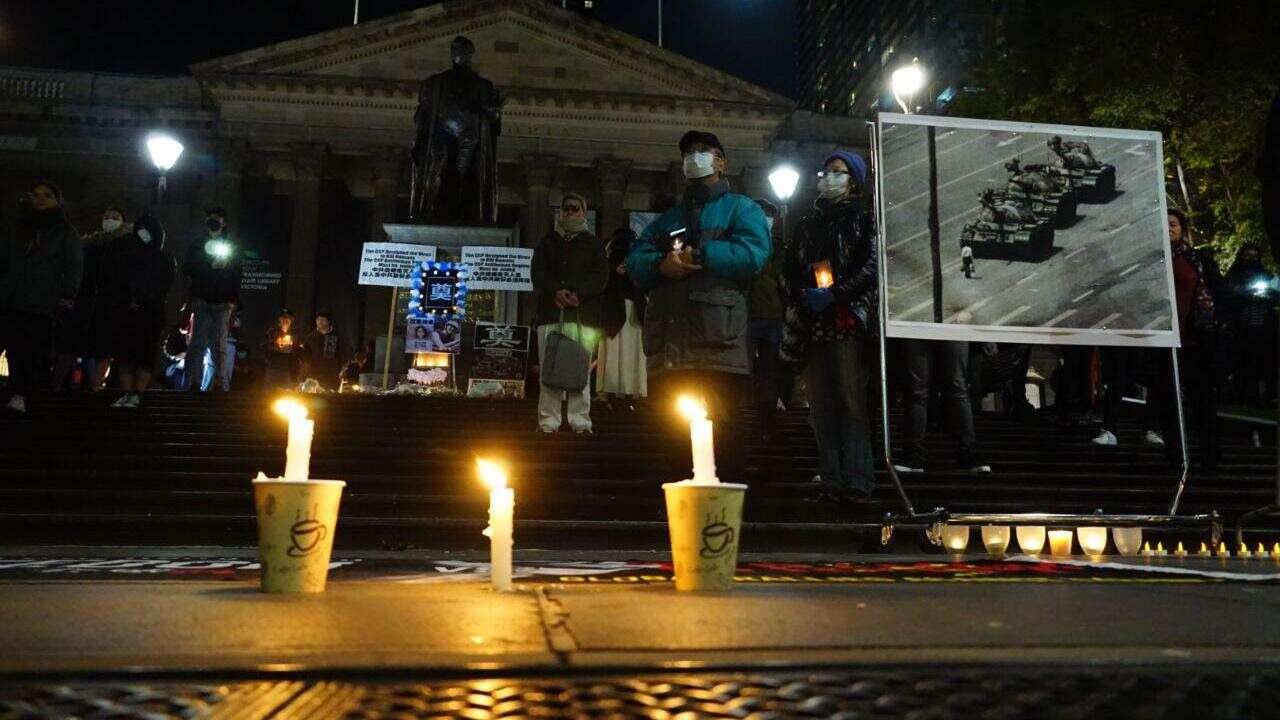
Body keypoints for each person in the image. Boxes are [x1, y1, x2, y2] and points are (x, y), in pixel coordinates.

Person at [627, 130, 771, 481]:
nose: (693, 157)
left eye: (701, 151)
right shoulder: (669, 217)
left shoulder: (741, 207)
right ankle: (681, 512)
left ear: (720, 161)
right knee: (673, 437)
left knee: (724, 435)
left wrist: (703, 255)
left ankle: (724, 517)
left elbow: (754, 254)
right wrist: (660, 265)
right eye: (688, 152)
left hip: (718, 343)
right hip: (671, 348)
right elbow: (636, 259)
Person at [780, 151, 878, 503]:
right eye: (826, 172)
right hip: (813, 323)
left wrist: (836, 293)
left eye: (838, 173)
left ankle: (858, 480)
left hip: (847, 321)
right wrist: (803, 290)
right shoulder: (808, 223)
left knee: (851, 402)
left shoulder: (864, 219)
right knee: (820, 405)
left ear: (853, 181)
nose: (829, 178)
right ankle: (832, 478)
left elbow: (871, 267)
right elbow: (790, 265)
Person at [0, 181, 83, 413]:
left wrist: (66, 298)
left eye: (47, 195)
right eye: (35, 194)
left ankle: (22, 391)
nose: (40, 199)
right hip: (10, 297)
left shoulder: (65, 233)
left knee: (31, 348)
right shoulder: (16, 227)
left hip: (42, 300)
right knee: (12, 344)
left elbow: (74, 268)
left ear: (57, 201)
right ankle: (15, 388)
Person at [531, 191, 608, 433]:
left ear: (584, 212)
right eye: (565, 208)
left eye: (574, 208)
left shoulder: (593, 244)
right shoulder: (547, 242)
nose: (569, 212)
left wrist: (579, 294)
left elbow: (601, 277)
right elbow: (538, 274)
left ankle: (580, 422)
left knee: (580, 372)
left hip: (581, 317)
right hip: (551, 314)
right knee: (549, 370)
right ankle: (548, 422)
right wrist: (556, 291)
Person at [1158, 208, 1222, 473]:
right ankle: (1175, 458)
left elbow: (1214, 291)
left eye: (1173, 224)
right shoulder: (1155, 261)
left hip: (1196, 341)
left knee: (1202, 402)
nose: (1170, 228)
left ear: (1182, 228)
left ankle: (1209, 458)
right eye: (1165, 225)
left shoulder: (1197, 258)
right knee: (1169, 403)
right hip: (1166, 344)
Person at [100, 213, 175, 409]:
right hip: (127, 312)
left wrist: (142, 300)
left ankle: (138, 393)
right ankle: (127, 393)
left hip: (150, 314)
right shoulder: (127, 256)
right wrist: (128, 300)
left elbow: (163, 286)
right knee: (125, 354)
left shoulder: (165, 259)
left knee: (145, 355)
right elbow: (118, 281)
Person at [52, 204, 128, 391]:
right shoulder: (89, 244)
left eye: (114, 217)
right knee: (70, 343)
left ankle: (94, 386)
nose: (109, 220)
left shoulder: (126, 246)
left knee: (104, 347)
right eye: (107, 216)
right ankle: (56, 383)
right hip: (84, 299)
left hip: (108, 302)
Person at [181, 207, 240, 392]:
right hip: (202, 298)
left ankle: (220, 383)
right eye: (210, 218)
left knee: (219, 344)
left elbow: (238, 272)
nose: (213, 221)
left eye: (217, 218)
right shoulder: (198, 244)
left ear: (224, 222)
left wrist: (232, 297)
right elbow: (188, 268)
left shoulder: (232, 245)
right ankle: (193, 382)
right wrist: (209, 265)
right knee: (197, 342)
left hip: (222, 301)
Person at [596, 227, 647, 411]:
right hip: (627, 309)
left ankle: (616, 390)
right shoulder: (632, 257)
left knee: (617, 351)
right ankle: (625, 391)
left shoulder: (609, 257)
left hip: (620, 310)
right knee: (626, 351)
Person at [749, 198, 786, 442]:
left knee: (769, 370)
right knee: (746, 369)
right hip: (748, 315)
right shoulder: (744, 244)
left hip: (772, 317)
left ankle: (766, 420)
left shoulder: (779, 249)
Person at [1224, 243, 1276, 406]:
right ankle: (1246, 396)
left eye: (1254, 257)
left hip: (1266, 328)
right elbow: (1228, 297)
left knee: (1268, 362)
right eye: (1247, 256)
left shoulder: (1266, 275)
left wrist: (1268, 296)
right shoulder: (1233, 276)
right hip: (1241, 329)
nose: (1251, 260)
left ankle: (1270, 395)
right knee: (1246, 365)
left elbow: (1275, 292)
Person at [301, 310, 345, 390]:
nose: (319, 321)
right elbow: (304, 355)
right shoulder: (310, 337)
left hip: (331, 375)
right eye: (318, 319)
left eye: (322, 319)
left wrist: (340, 370)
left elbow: (343, 354)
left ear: (328, 321)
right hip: (314, 374)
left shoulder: (337, 337)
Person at [261, 309, 299, 390]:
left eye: (288, 318)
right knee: (268, 396)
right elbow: (264, 346)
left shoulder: (295, 334)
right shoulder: (272, 332)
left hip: (289, 370)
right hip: (273, 368)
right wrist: (278, 350)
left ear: (292, 320)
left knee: (287, 396)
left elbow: (299, 350)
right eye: (283, 318)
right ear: (279, 319)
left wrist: (292, 350)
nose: (285, 320)